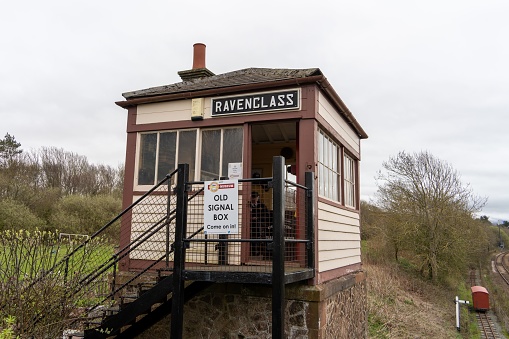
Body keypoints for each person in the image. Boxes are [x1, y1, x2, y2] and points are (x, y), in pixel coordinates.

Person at [250, 191, 271, 257]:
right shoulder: (248, 205)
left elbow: (267, 215)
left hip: (259, 225)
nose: (253, 199)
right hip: (250, 225)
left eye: (255, 197)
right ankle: (253, 252)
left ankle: (258, 252)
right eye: (252, 197)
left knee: (258, 237)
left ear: (258, 198)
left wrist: (258, 218)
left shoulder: (262, 206)